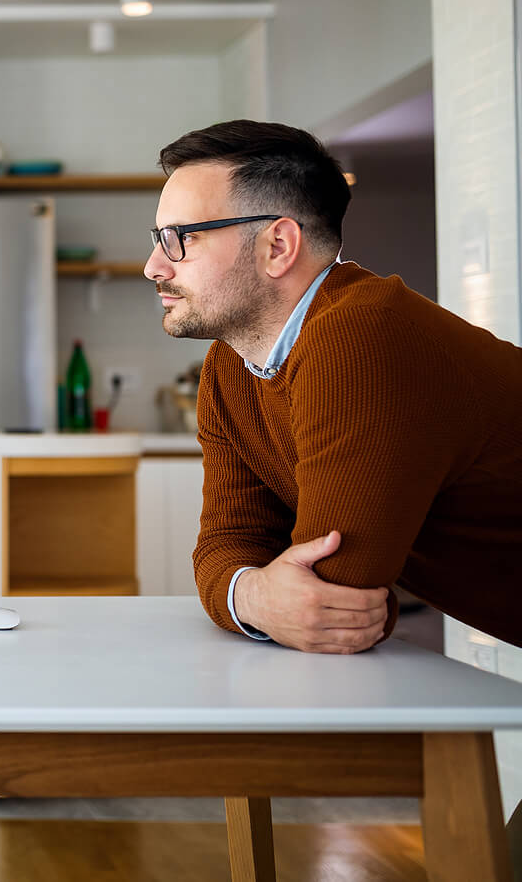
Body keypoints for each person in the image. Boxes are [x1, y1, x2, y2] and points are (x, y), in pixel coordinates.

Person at [143, 120, 521, 654]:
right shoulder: (232, 367)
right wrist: (252, 596)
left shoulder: (361, 334)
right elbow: (229, 546)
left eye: (182, 238)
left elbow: (337, 600)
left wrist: (255, 593)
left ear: (278, 244)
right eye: (158, 239)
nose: (153, 266)